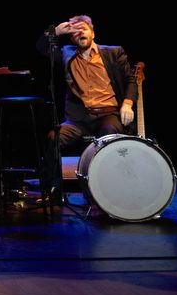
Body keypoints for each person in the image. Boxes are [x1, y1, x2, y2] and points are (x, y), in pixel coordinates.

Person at [36, 15, 137, 192]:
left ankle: (109, 189)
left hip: (108, 114)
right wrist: (56, 31)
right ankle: (54, 191)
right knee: (54, 137)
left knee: (110, 134)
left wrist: (127, 103)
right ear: (71, 38)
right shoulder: (67, 53)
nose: (80, 32)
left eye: (84, 28)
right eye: (75, 32)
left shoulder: (113, 52)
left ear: (93, 33)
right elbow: (42, 47)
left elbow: (130, 80)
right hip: (78, 120)